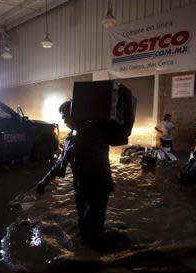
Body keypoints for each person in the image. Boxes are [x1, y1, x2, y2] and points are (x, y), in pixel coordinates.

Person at [37, 85, 134, 246]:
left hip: (99, 187)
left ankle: (100, 262)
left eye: (65, 115)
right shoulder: (70, 138)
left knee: (94, 229)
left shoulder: (98, 131)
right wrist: (44, 181)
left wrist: (127, 101)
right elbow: (61, 163)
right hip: (80, 189)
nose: (63, 120)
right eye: (62, 116)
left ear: (77, 113)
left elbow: (125, 131)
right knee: (84, 227)